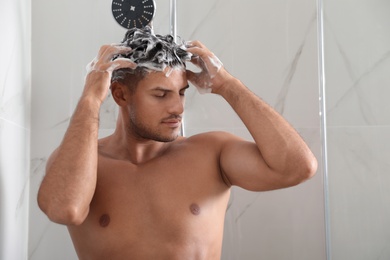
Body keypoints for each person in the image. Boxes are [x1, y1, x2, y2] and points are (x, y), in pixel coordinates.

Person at [37, 26, 317, 260]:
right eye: (161, 95)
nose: (178, 108)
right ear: (120, 95)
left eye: (181, 93)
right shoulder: (84, 162)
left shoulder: (211, 153)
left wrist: (228, 85)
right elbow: (64, 209)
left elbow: (298, 167)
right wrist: (90, 98)